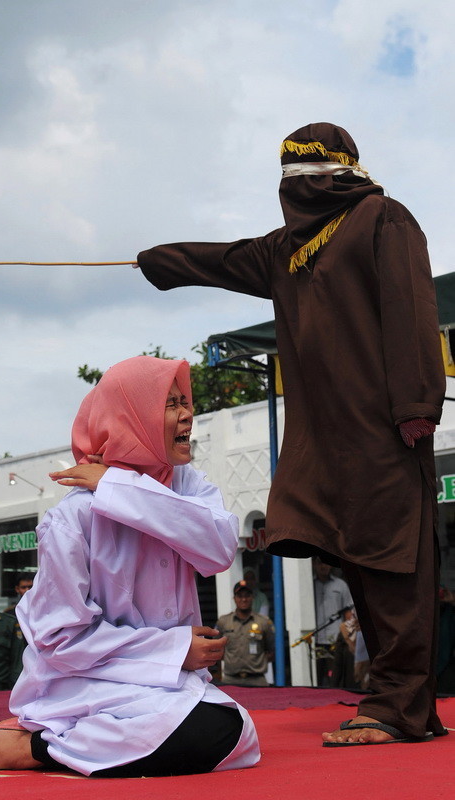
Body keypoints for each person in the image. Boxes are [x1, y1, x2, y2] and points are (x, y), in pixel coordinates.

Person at [136, 122, 446, 746]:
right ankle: (391, 700)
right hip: (323, 441)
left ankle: (402, 708)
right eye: (292, 178)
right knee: (359, 561)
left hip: (386, 431)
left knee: (394, 565)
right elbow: (220, 259)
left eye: (314, 176)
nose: (303, 187)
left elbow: (413, 308)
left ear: (345, 173)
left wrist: (417, 404)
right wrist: (156, 260)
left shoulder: (382, 218)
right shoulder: (283, 251)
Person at [0, 356, 260, 776]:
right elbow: (60, 640)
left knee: (237, 735)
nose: (188, 414)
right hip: (88, 682)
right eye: (171, 403)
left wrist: (118, 486)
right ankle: (33, 747)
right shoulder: (75, 516)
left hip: (160, 684)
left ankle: (45, 740)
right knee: (217, 730)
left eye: (185, 401)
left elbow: (217, 549)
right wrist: (173, 650)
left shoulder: (187, 485)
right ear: (133, 418)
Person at [216, 580, 274, 687]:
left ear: (253, 598)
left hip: (257, 680)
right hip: (230, 680)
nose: (244, 599)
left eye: (247, 595)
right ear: (234, 598)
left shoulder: (263, 622)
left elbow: (271, 652)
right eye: (240, 596)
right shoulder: (224, 622)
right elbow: (216, 649)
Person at [312, 557, 353, 686]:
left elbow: (348, 613)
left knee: (334, 678)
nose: (323, 566)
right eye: (319, 563)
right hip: (315, 640)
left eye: (326, 562)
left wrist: (348, 637)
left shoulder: (341, 585)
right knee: (316, 679)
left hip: (335, 640)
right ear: (314, 564)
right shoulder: (308, 584)